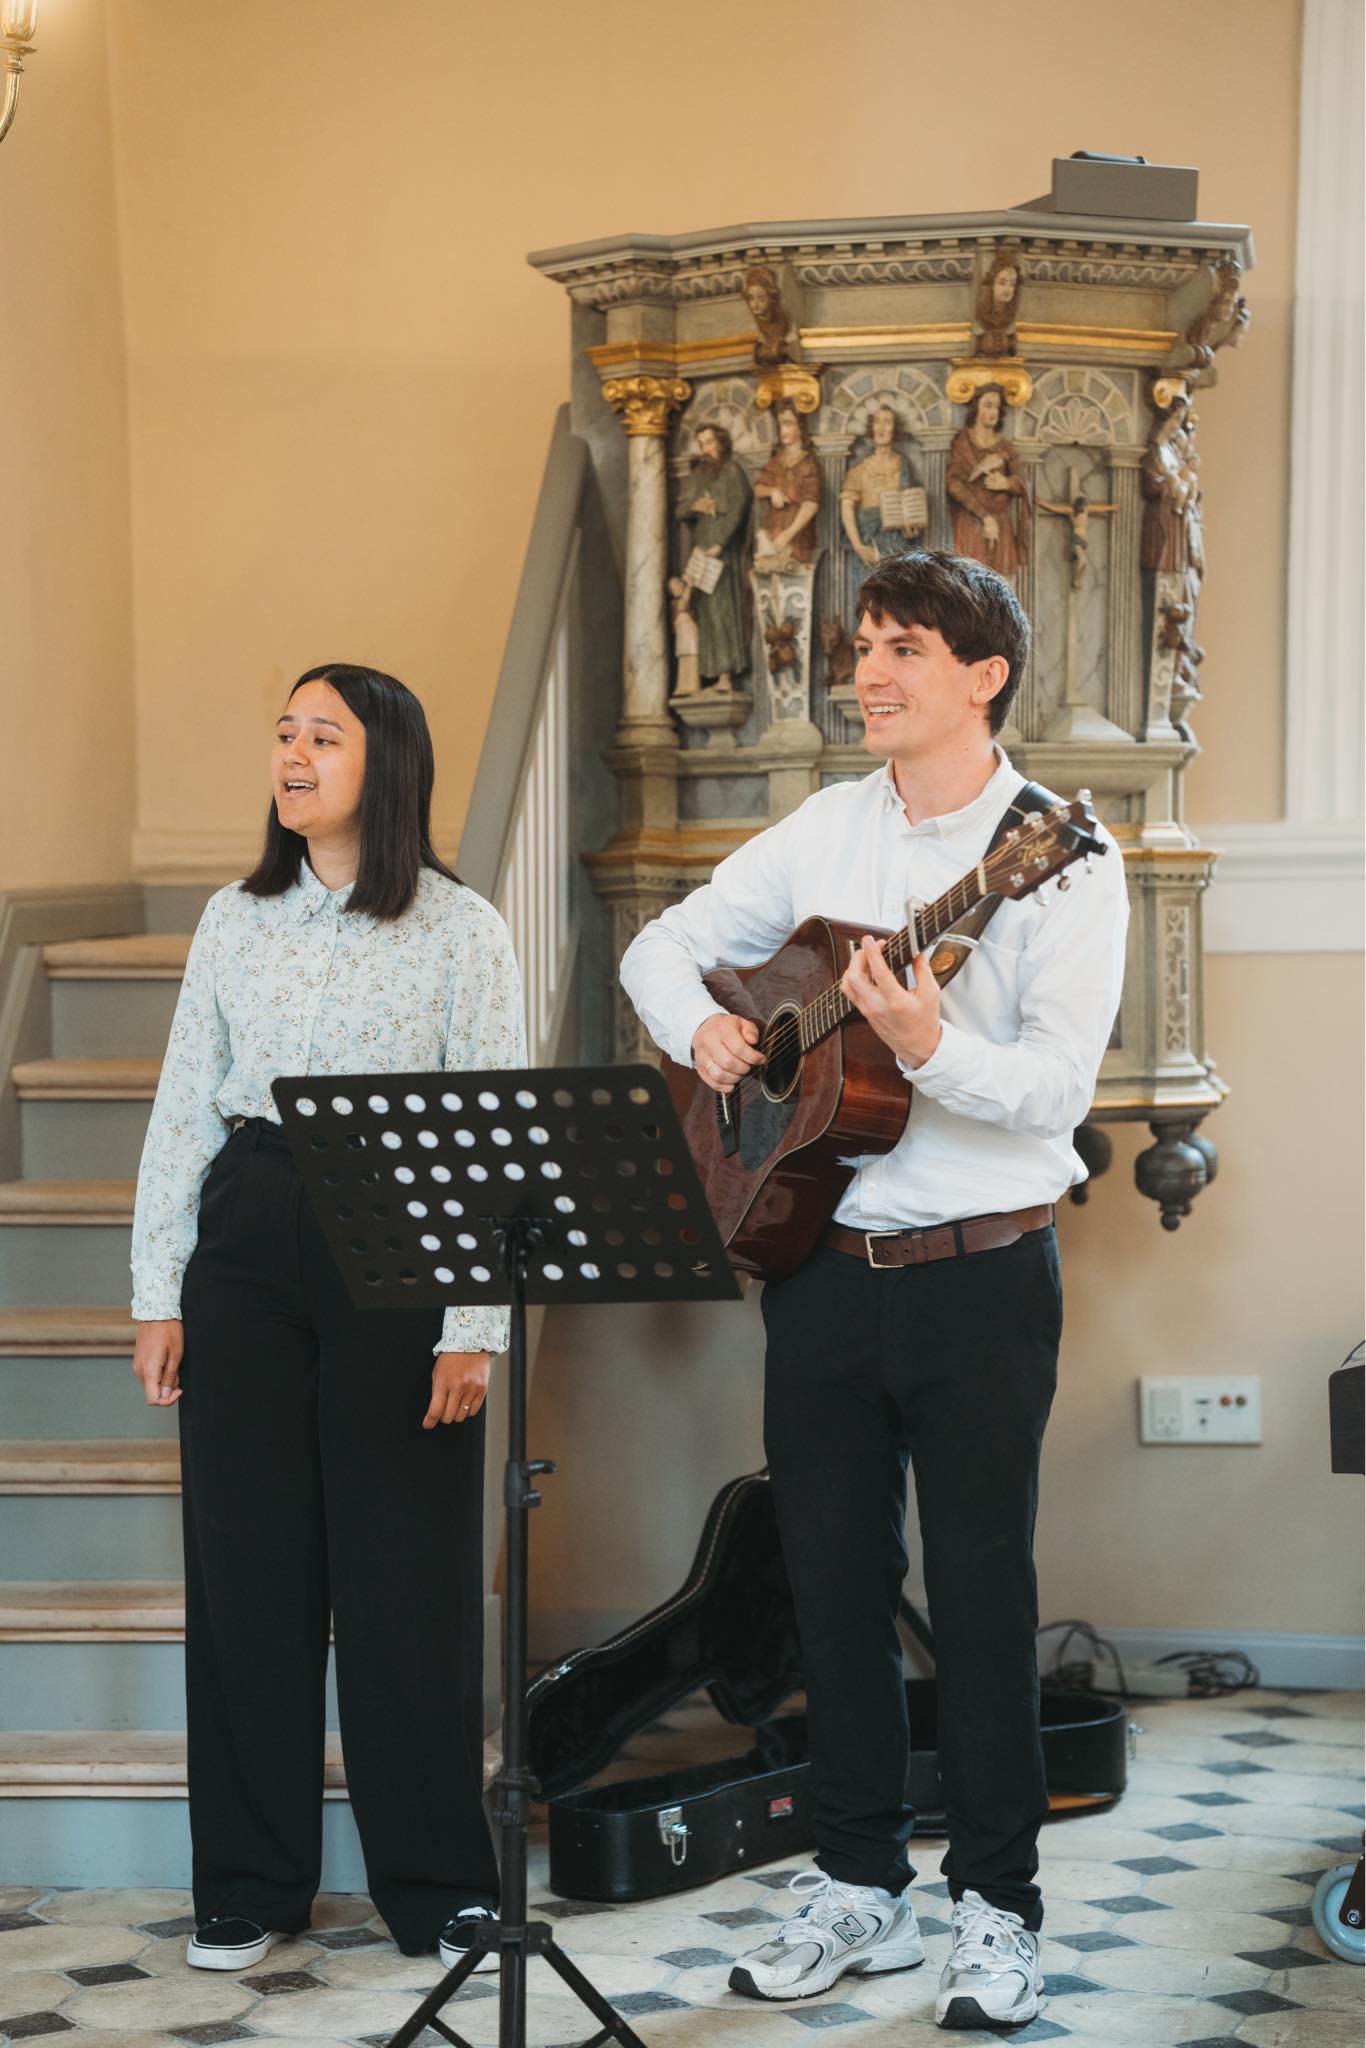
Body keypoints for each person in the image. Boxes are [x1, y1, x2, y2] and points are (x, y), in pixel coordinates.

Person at [620, 551, 1128, 2030]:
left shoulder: (1057, 858)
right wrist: (710, 1038)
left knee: (980, 1598)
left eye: (904, 646)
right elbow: (662, 947)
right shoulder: (828, 829)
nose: (868, 671)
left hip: (981, 1275)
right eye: (862, 644)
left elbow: (1051, 1094)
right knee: (830, 1593)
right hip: (819, 1270)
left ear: (984, 675)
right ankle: (858, 1889)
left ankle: (996, 1910)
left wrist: (925, 1047)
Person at [130, 663, 525, 1976]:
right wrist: (158, 1289)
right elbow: (184, 1103)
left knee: (407, 1576)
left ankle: (439, 1883)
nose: (293, 756)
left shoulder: (462, 928)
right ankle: (249, 1884)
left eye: (324, 737)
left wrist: (473, 1322)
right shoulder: (233, 917)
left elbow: (491, 1138)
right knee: (247, 1573)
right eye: (284, 734)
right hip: (247, 1226)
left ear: (386, 762)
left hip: (399, 1224)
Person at [676, 422, 752, 688]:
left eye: (710, 442)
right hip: (701, 546)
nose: (705, 448)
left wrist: (720, 542)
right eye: (701, 443)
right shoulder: (698, 476)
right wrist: (696, 505)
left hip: (722, 551)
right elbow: (681, 510)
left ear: (721, 443)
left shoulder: (731, 472)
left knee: (722, 610)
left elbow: (738, 508)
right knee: (704, 612)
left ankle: (725, 674)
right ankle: (708, 672)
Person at [946, 384, 1030, 575]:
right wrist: (984, 517)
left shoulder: (1005, 447)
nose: (993, 412)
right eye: (988, 405)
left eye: (997, 407)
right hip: (972, 520)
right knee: (970, 578)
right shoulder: (963, 442)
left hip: (1000, 521)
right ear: (976, 408)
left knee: (1001, 580)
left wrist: (1006, 483)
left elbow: (1023, 483)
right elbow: (953, 484)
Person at [840, 402, 927, 568]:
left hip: (897, 544)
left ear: (895, 428)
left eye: (887, 422)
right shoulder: (860, 469)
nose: (881, 428)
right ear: (871, 427)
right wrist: (859, 546)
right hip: (868, 540)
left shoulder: (903, 465)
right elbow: (847, 509)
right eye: (877, 422)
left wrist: (911, 528)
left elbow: (909, 507)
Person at [753, 400, 822, 566]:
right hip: (773, 528)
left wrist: (789, 533)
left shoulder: (808, 463)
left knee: (792, 573)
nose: (783, 430)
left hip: (797, 533)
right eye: (781, 425)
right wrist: (772, 491)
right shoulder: (776, 462)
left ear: (800, 427)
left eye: (788, 424)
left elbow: (811, 503)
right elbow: (758, 488)